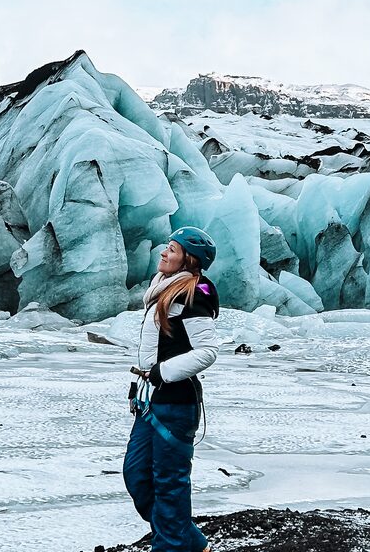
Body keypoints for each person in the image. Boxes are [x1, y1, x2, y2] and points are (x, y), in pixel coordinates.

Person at [123, 226, 220, 552]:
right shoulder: (165, 287)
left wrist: (163, 372)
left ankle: (170, 546)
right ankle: (191, 543)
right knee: (137, 475)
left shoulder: (194, 292)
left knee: (169, 484)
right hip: (151, 401)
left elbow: (207, 351)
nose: (164, 252)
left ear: (188, 260)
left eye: (173, 250)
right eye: (167, 247)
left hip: (175, 403)